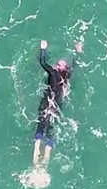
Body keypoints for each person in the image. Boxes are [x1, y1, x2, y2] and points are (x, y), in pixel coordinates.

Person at [30, 38, 82, 170]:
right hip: (56, 107)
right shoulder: (66, 78)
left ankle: (36, 152)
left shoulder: (53, 73)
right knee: (50, 131)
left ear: (59, 68)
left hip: (46, 104)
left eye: (58, 64)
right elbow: (74, 66)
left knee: (40, 126)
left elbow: (42, 62)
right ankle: (46, 157)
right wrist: (78, 52)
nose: (56, 64)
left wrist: (43, 49)